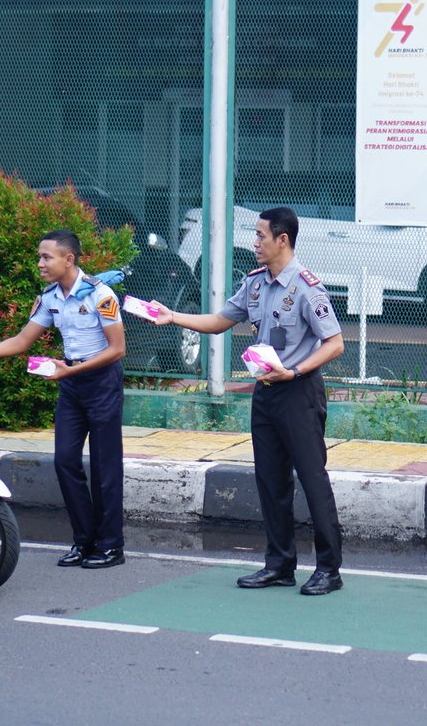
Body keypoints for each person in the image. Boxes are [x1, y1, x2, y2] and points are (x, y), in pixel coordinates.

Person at [148, 207, 347, 596]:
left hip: (299, 392)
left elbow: (335, 343)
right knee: (270, 481)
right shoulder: (255, 283)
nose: (255, 242)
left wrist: (295, 371)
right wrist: (173, 317)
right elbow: (220, 321)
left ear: (282, 240)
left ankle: (329, 569)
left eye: (260, 236)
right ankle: (279, 564)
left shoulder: (306, 287)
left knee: (312, 480)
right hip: (266, 392)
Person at [0, 230, 128, 569]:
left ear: (68, 259)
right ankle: (84, 541)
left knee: (105, 467)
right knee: (64, 461)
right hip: (71, 383)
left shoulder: (100, 295)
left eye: (46, 257)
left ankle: (111, 546)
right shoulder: (50, 297)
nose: (40, 263)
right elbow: (22, 341)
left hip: (101, 382)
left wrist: (70, 371)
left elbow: (117, 350)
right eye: (40, 257)